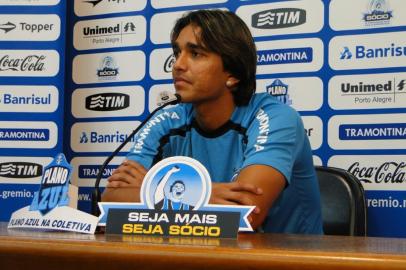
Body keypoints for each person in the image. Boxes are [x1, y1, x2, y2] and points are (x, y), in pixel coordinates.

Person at [102, 9, 323, 234]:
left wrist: (152, 187)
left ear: (232, 74)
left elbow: (245, 214)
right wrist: (204, 193)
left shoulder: (275, 117)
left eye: (195, 53)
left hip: (287, 259)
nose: (177, 64)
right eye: (177, 52)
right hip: (202, 254)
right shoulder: (166, 119)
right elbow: (112, 199)